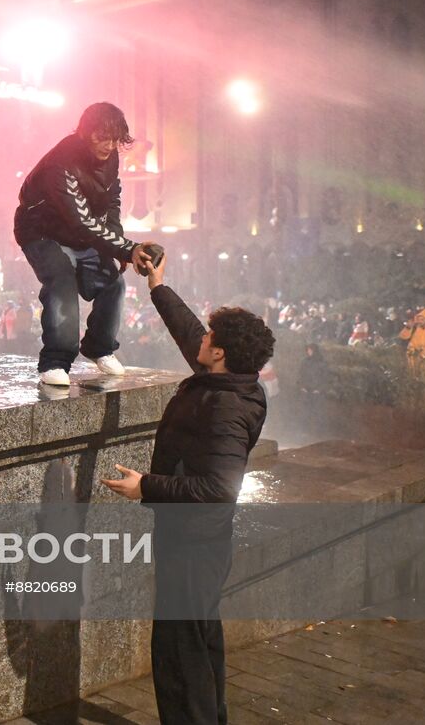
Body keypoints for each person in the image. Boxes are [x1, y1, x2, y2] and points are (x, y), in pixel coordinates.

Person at [101, 252, 275, 725]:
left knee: (180, 654)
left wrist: (147, 487)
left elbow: (219, 487)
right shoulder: (233, 380)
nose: (204, 339)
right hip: (201, 540)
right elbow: (189, 331)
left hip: (194, 542)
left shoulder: (224, 406)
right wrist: (158, 285)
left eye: (212, 338)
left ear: (219, 353)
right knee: (198, 641)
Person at [15, 101, 159, 386]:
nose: (108, 145)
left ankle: (99, 347)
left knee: (113, 282)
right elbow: (79, 219)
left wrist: (117, 245)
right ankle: (55, 361)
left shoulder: (111, 156)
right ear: (84, 132)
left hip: (80, 232)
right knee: (61, 279)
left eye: (115, 139)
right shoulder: (61, 163)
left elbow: (111, 200)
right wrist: (127, 248)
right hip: (41, 232)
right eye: (102, 137)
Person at [399, 308, 425, 378]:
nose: (420, 321)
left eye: (422, 319)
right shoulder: (416, 332)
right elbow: (405, 339)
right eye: (419, 320)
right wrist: (408, 327)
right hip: (418, 363)